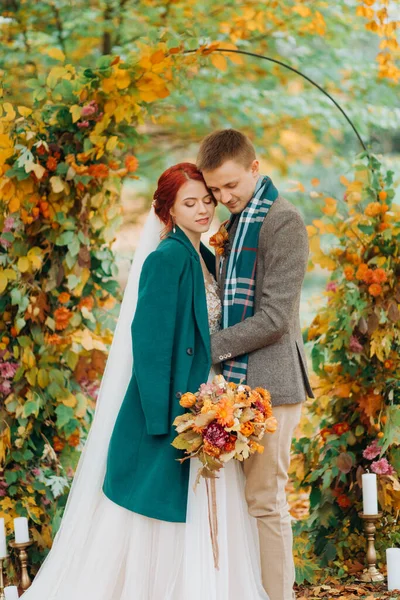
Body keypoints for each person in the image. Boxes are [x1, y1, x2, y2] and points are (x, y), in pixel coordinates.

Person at [21, 163, 269, 600]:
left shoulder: (205, 257)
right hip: (176, 404)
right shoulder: (167, 257)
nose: (202, 210)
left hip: (211, 401)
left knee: (210, 505)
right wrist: (168, 417)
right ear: (169, 209)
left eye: (207, 201)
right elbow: (150, 345)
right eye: (189, 203)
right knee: (160, 514)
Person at [197, 129, 314, 600]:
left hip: (273, 383)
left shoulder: (282, 221)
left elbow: (274, 317)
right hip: (236, 385)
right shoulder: (238, 223)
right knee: (240, 503)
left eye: (231, 186)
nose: (224, 198)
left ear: (254, 167)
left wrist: (206, 348)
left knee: (266, 503)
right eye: (215, 191)